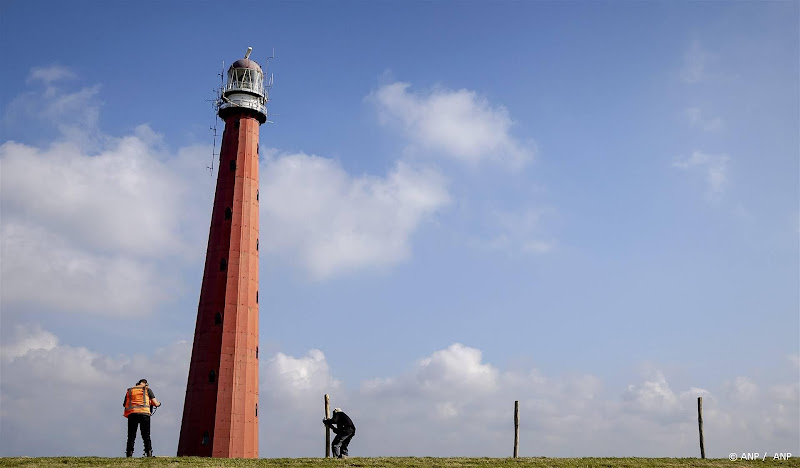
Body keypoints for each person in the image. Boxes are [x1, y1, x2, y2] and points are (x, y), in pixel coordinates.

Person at [123, 378, 161, 457]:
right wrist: (159, 403)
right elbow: (155, 403)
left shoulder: (130, 390)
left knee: (131, 435)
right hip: (144, 413)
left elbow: (124, 404)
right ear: (146, 384)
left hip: (132, 414)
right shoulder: (147, 389)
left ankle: (129, 454)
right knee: (146, 435)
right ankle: (148, 453)